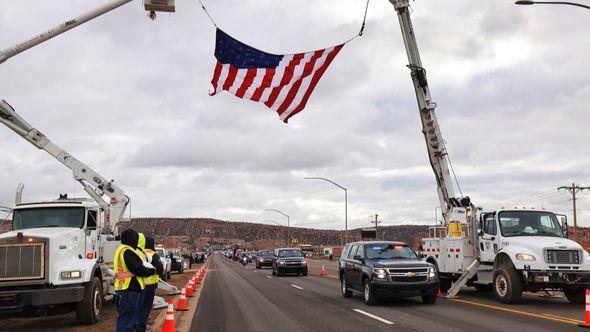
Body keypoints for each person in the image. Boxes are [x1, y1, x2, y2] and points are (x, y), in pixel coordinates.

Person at [114, 229, 156, 332]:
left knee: (130, 321)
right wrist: (152, 271)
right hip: (128, 292)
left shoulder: (122, 250)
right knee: (127, 322)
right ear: (133, 239)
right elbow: (137, 269)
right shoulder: (127, 251)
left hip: (126, 291)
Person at [138, 235, 163, 332]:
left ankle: (140, 325)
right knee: (146, 307)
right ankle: (142, 327)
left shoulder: (140, 253)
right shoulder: (153, 254)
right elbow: (160, 269)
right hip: (150, 285)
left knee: (139, 307)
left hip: (140, 284)